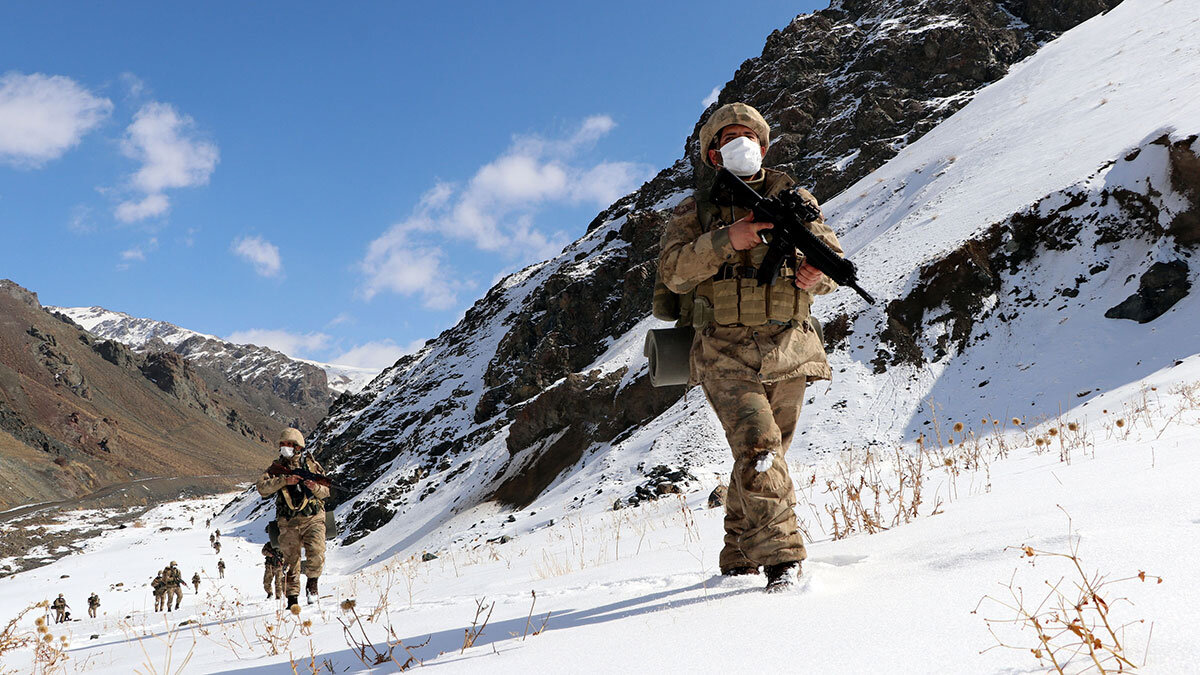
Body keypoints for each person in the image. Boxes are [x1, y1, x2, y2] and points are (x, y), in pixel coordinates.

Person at [657, 102, 844, 593]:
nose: (741, 142)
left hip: (789, 348)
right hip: (723, 350)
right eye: (728, 136)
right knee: (760, 448)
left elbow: (833, 262)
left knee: (764, 455)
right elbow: (673, 271)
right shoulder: (694, 212)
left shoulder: (797, 199)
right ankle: (785, 563)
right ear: (713, 154)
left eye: (748, 134)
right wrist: (728, 239)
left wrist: (816, 274)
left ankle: (738, 554)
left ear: (763, 145)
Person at [256, 428, 329, 609]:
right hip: (288, 522)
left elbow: (326, 491)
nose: (285, 448)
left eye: (289, 444)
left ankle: (312, 585)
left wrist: (314, 487)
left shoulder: (311, 466)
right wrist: (283, 481)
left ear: (298, 447)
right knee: (290, 561)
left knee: (317, 552)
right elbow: (262, 488)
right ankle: (292, 599)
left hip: (313, 518)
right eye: (282, 444)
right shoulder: (275, 469)